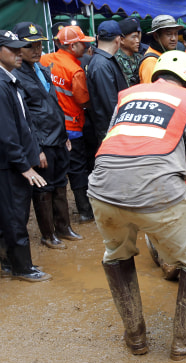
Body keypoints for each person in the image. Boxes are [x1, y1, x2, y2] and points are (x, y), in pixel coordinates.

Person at [89, 51, 186, 359]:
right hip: (159, 194)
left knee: (116, 254)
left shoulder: (127, 97)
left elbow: (112, 144)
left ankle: (135, 338)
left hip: (101, 191)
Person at [12, 22, 82, 250]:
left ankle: (64, 227)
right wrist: (36, 148)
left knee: (61, 183)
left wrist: (64, 135)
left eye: (39, 45)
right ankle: (48, 234)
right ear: (18, 49)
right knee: (43, 188)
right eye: (29, 46)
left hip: (58, 138)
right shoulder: (16, 76)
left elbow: (54, 104)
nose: (36, 50)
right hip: (41, 141)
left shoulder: (42, 70)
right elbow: (25, 118)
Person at [0, 29, 51, 281]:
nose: (19, 53)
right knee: (15, 216)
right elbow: (6, 132)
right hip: (9, 166)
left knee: (12, 214)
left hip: (14, 162)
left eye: (20, 48)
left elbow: (24, 122)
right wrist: (23, 165)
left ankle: (9, 262)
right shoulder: (1, 84)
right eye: (12, 49)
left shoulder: (10, 79)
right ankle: (22, 267)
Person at [40, 26, 96, 223]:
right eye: (83, 42)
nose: (87, 46)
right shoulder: (76, 70)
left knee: (56, 170)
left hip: (48, 126)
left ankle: (56, 215)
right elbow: (83, 101)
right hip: (72, 127)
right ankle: (84, 210)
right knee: (78, 168)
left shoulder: (44, 60)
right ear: (73, 46)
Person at [86, 21, 128, 151]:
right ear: (118, 40)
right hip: (110, 132)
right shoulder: (101, 64)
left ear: (98, 38)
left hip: (112, 130)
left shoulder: (104, 61)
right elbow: (111, 105)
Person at [139, 15, 183, 83]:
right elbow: (151, 91)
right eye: (169, 34)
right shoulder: (151, 61)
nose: (173, 38)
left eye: (176, 34)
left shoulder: (166, 55)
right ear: (156, 36)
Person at [115, 18, 143, 87]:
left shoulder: (140, 57)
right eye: (134, 37)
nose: (137, 41)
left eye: (137, 37)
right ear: (122, 40)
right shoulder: (116, 60)